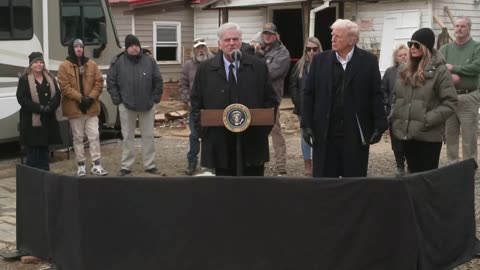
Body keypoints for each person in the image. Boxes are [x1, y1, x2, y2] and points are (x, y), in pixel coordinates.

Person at [190, 22, 279, 176]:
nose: (232, 43)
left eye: (235, 39)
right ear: (219, 44)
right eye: (227, 40)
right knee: (225, 192)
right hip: (219, 141)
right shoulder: (205, 69)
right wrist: (204, 131)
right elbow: (196, 102)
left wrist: (262, 130)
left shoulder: (258, 66)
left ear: (241, 41)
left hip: (252, 139)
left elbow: (270, 100)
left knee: (252, 190)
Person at [301, 19, 387, 178]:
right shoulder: (320, 61)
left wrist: (380, 124)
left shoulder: (368, 61)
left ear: (352, 39)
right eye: (332, 35)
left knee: (353, 182)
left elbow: (376, 94)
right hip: (325, 132)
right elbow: (308, 93)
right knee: (325, 182)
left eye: (338, 36)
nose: (332, 39)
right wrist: (306, 124)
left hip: (355, 132)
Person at [391, 28, 457, 173]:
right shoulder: (404, 69)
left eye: (417, 44)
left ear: (426, 47)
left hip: (429, 135)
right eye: (410, 44)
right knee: (413, 174)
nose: (412, 48)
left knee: (427, 179)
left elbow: (450, 101)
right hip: (407, 134)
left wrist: (427, 119)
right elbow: (396, 97)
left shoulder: (440, 70)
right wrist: (396, 116)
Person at [107, 34, 164, 176]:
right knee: (127, 137)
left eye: (137, 45)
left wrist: (155, 98)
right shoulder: (118, 62)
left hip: (147, 106)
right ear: (127, 48)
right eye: (132, 46)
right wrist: (117, 100)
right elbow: (111, 82)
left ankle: (150, 164)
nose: (135, 48)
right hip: (126, 106)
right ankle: (126, 165)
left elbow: (158, 80)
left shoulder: (149, 60)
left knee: (148, 136)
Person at [57, 38, 108, 177]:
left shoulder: (91, 64)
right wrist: (80, 98)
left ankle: (97, 165)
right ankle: (81, 166)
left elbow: (99, 82)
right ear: (71, 49)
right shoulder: (64, 66)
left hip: (91, 109)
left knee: (94, 136)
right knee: (78, 138)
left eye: (81, 46)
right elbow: (64, 87)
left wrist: (90, 97)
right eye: (76, 47)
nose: (79, 49)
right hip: (75, 110)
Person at [440, 17, 480, 164]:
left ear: (469, 28)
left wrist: (454, 68)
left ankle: (469, 166)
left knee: (469, 136)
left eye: (463, 26)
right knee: (451, 134)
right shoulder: (445, 49)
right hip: (449, 97)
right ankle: (452, 164)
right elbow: (437, 69)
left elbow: (477, 67)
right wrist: (451, 77)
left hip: (469, 96)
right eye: (457, 26)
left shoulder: (476, 47)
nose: (459, 29)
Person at [17, 52, 62, 171]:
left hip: (47, 119)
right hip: (32, 122)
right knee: (32, 153)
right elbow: (22, 99)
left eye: (41, 62)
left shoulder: (51, 78)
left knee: (44, 151)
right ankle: (32, 177)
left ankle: (45, 175)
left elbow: (57, 95)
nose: (39, 64)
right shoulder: (24, 79)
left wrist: (50, 107)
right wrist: (39, 108)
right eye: (36, 62)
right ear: (31, 65)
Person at [179, 37, 214, 175]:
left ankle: (209, 164)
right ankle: (192, 163)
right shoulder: (188, 65)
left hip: (211, 108)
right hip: (195, 109)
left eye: (203, 47)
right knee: (194, 136)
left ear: (206, 48)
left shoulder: (214, 62)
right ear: (194, 50)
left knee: (210, 137)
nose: (201, 50)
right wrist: (188, 101)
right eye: (198, 48)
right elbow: (183, 85)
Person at [289, 37, 322, 177]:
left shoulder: (325, 64)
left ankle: (320, 162)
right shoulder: (300, 66)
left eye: (314, 49)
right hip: (304, 108)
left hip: (321, 108)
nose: (311, 52)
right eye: (308, 49)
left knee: (321, 136)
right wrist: (298, 102)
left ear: (319, 49)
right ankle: (307, 163)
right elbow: (293, 85)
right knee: (305, 136)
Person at [261, 22, 291, 175]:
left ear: (276, 35)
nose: (267, 36)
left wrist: (256, 64)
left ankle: (280, 167)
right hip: (257, 97)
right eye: (265, 33)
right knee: (257, 132)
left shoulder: (282, 53)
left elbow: (271, 73)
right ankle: (258, 162)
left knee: (275, 131)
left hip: (271, 99)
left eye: (270, 33)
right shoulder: (259, 50)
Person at [381, 44, 408, 176]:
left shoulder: (414, 70)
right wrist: (388, 102)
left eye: (405, 54)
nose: (403, 57)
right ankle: (399, 165)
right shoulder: (390, 72)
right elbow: (383, 89)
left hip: (409, 112)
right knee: (396, 141)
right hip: (394, 113)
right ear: (396, 58)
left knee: (409, 140)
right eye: (400, 55)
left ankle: (411, 165)